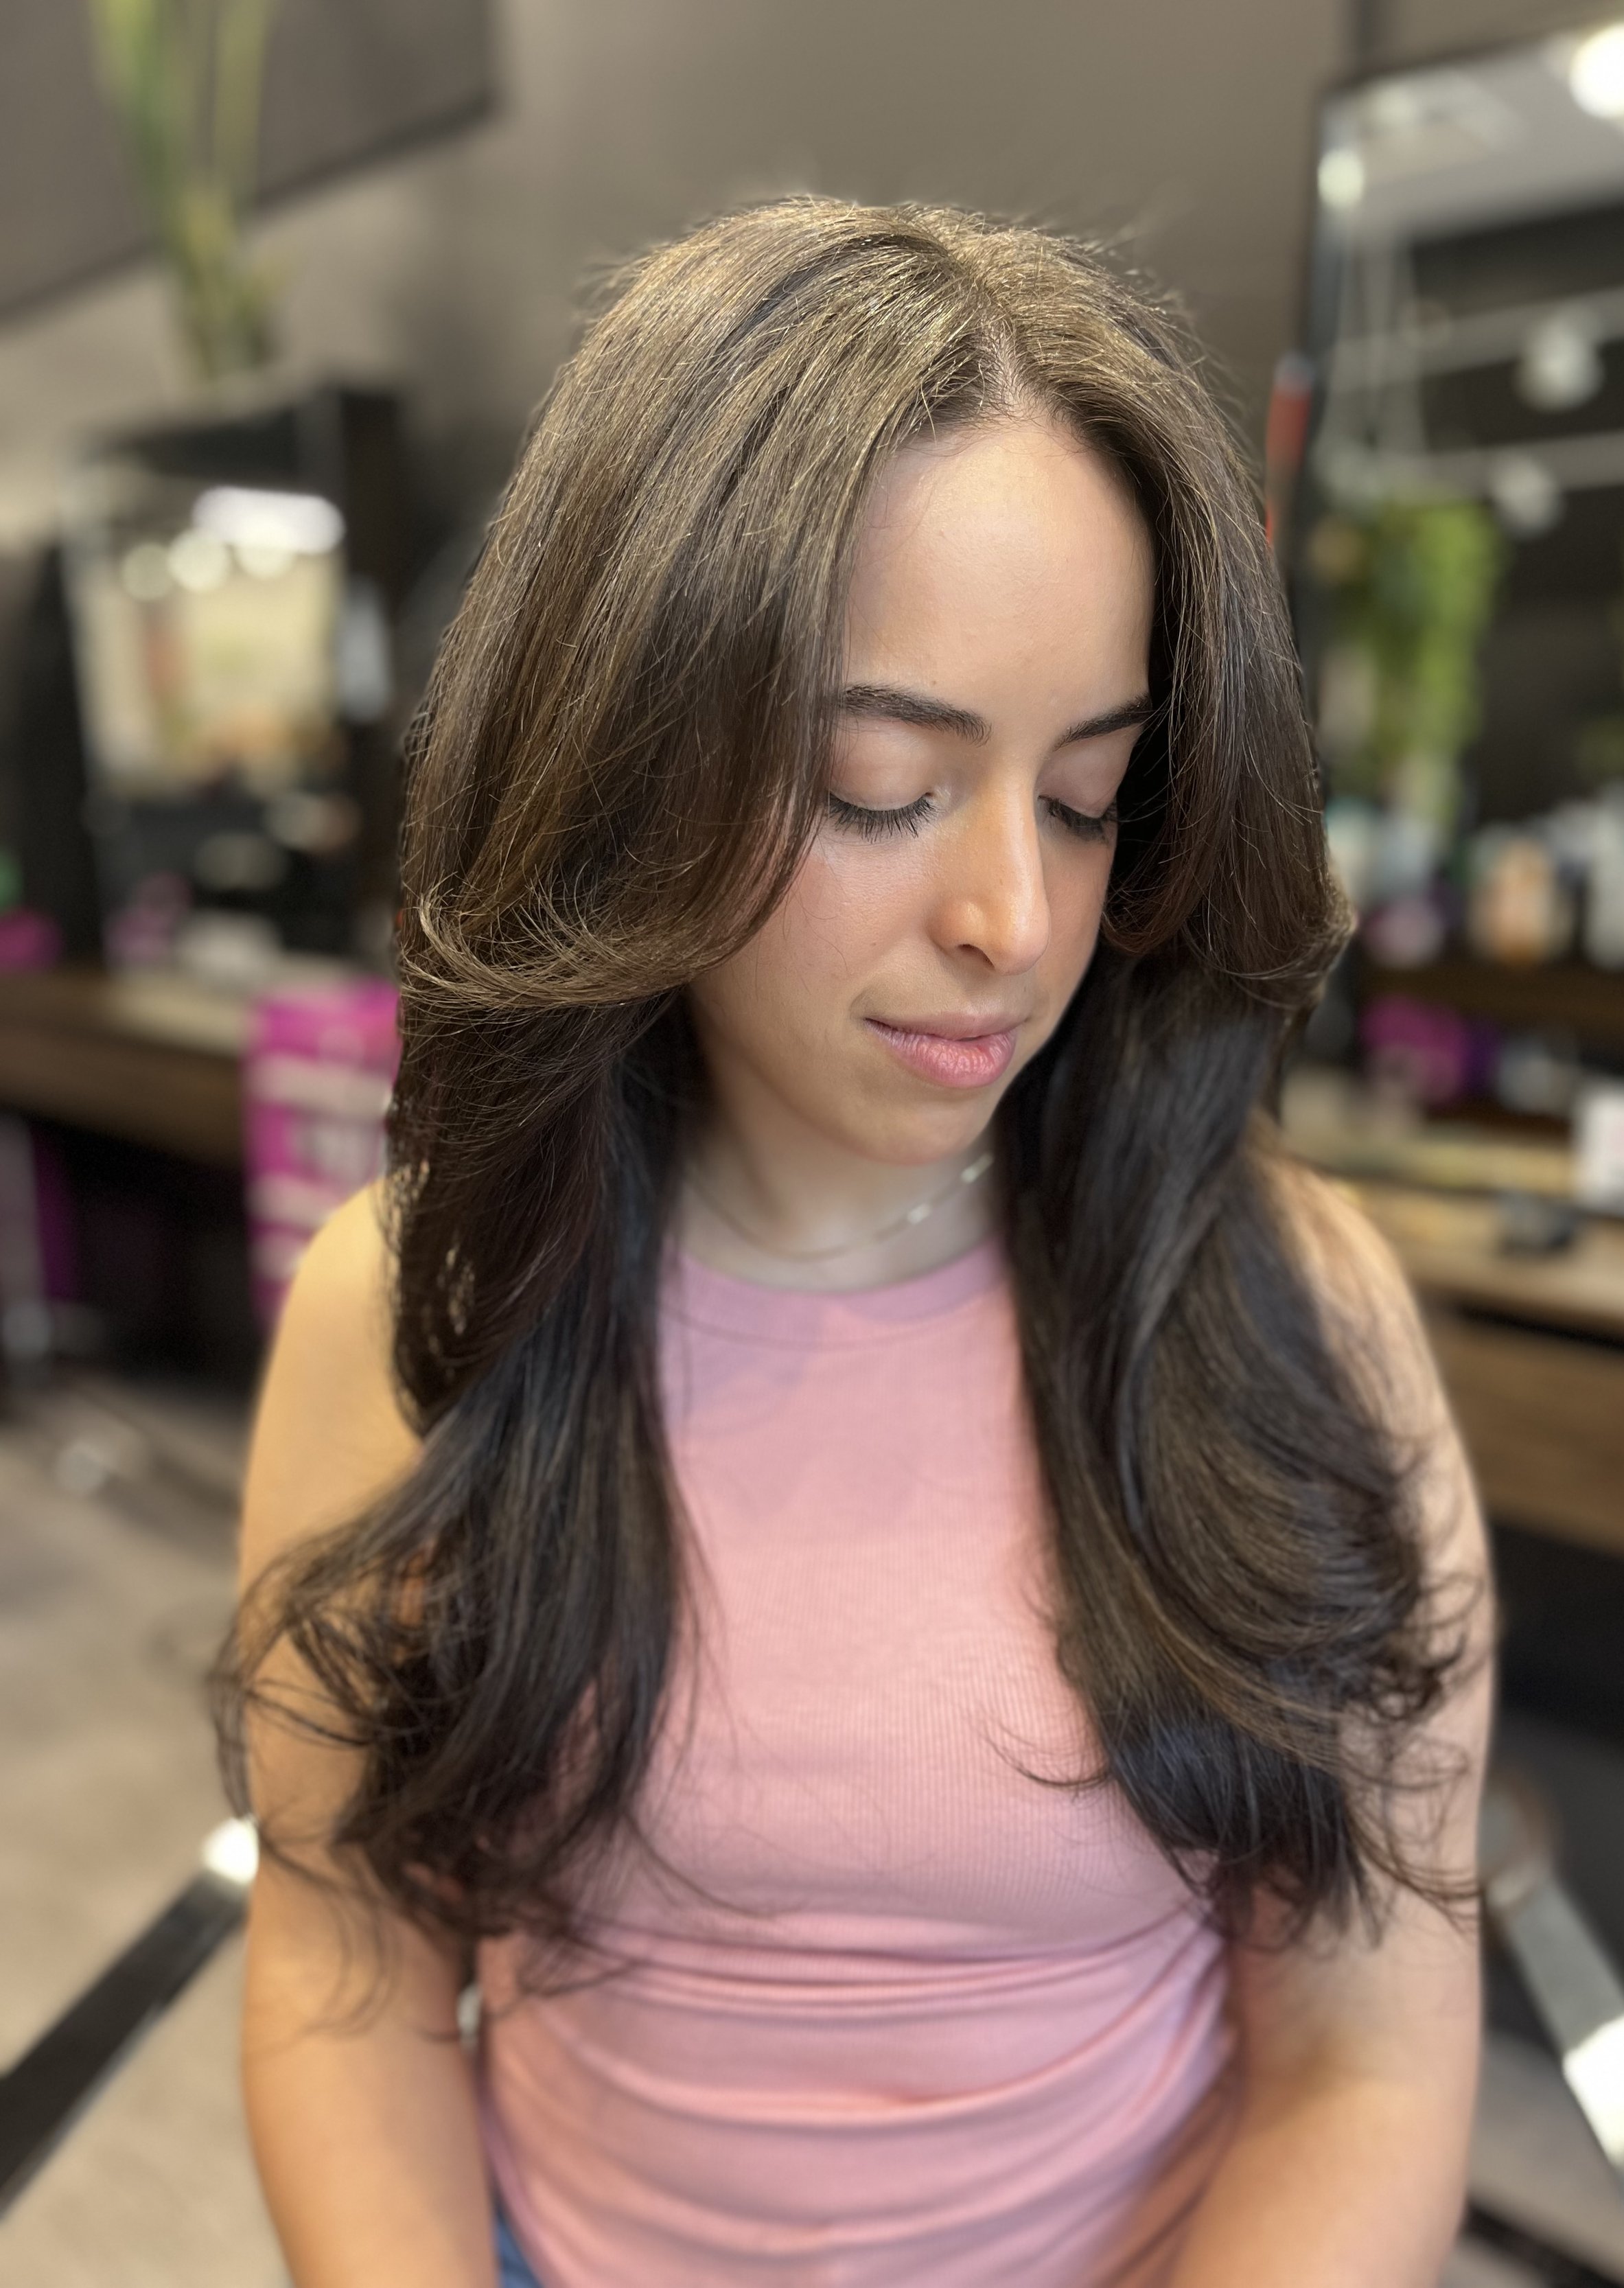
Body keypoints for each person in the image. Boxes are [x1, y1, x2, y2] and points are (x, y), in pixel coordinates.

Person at [221, 197, 1494, 2288]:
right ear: (630, 772)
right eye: (878, 786)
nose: (1012, 917)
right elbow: (344, 1959)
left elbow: (1362, 2054)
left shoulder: (1286, 1311)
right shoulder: (418, 1303)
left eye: (1084, 797)